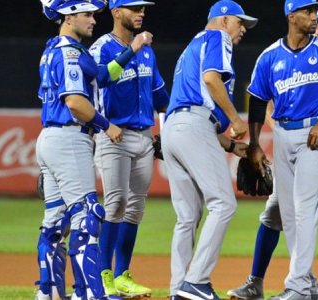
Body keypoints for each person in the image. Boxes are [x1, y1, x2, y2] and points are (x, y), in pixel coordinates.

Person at [227, 7, 318, 300]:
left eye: (316, 12)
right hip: (282, 134)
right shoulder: (270, 56)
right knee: (287, 212)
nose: (314, 17)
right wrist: (254, 144)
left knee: (306, 209)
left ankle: (299, 286)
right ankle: (304, 282)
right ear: (291, 16)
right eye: (308, 11)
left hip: (314, 136)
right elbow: (259, 102)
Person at [161, 1, 257, 299]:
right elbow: (211, 80)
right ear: (224, 20)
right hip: (194, 124)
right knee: (223, 204)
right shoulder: (217, 37)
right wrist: (235, 120)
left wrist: (231, 145)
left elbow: (193, 103)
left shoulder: (192, 46)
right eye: (239, 22)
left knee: (188, 215)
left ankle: (179, 288)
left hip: (173, 128)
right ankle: (197, 281)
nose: (242, 29)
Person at [35, 0, 123, 299]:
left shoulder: (53, 49)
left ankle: (48, 293)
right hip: (70, 138)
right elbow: (75, 102)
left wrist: (132, 50)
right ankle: (89, 294)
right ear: (68, 17)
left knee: (55, 223)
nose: (93, 20)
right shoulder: (70, 52)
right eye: (86, 14)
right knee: (87, 217)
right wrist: (105, 124)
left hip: (50, 137)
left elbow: (102, 74)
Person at [89, 0, 169, 298]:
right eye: (134, 8)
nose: (141, 13)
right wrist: (131, 49)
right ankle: (103, 275)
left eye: (143, 9)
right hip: (114, 135)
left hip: (144, 135)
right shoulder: (102, 47)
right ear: (117, 12)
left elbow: (161, 97)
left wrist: (170, 128)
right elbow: (101, 78)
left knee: (135, 208)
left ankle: (123, 274)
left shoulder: (148, 51)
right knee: (116, 203)